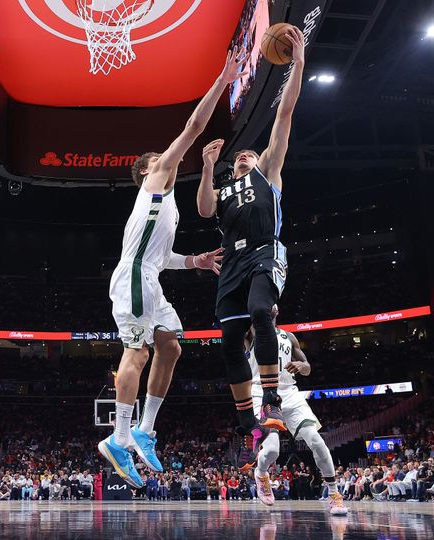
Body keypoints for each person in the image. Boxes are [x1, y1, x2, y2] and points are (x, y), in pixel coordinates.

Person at [99, 46, 248, 488]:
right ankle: (119, 438)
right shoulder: (156, 178)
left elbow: (163, 258)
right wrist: (223, 79)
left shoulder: (166, 205)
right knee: (138, 352)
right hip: (133, 280)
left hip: (152, 277)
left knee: (172, 348)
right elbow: (194, 126)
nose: (167, 157)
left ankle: (144, 430)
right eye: (158, 158)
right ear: (147, 171)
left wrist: (194, 261)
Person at [197, 26, 307, 449]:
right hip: (232, 262)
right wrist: (207, 167)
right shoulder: (223, 190)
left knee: (263, 311)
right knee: (227, 341)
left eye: (249, 152)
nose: (244, 153)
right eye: (238, 154)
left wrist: (296, 64)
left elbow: (284, 115)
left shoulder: (269, 171)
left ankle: (274, 402)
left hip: (265, 251)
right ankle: (247, 418)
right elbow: (204, 210)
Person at [242, 306, 347, 515]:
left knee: (317, 441)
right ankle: (261, 473)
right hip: (261, 391)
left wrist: (301, 365)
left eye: (274, 302)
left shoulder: (289, 337)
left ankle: (334, 494)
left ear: (278, 310)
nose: (270, 304)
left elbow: (308, 367)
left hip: (289, 392)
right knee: (272, 450)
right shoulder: (251, 331)